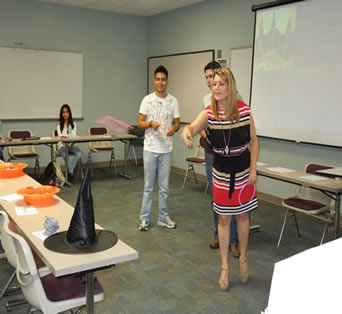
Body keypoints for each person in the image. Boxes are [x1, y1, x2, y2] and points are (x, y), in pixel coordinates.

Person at [182, 68, 258, 291]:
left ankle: (243, 258)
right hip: (221, 174)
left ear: (230, 87)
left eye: (221, 84)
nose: (216, 87)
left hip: (244, 172)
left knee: (242, 217)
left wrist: (253, 168)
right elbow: (193, 127)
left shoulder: (244, 111)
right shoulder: (209, 113)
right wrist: (187, 133)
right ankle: (225, 266)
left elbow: (254, 141)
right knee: (224, 220)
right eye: (214, 84)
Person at [201, 62, 240, 257]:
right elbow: (203, 122)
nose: (211, 82)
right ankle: (218, 233)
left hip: (231, 155)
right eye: (207, 77)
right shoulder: (206, 99)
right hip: (212, 152)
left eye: (213, 77)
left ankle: (234, 241)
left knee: (231, 198)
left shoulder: (235, 98)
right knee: (217, 198)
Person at [138, 65, 180, 231]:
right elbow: (140, 122)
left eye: (163, 79)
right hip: (150, 149)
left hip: (166, 150)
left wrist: (173, 129)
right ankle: (144, 219)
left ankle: (163, 218)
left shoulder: (173, 101)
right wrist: (150, 124)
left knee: (164, 188)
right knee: (148, 187)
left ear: (167, 81)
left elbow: (177, 122)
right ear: (154, 81)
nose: (160, 82)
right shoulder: (146, 100)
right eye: (157, 79)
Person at [56, 104, 82, 182]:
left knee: (79, 153)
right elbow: (60, 137)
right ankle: (71, 171)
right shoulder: (58, 124)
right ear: (61, 114)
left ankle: (70, 171)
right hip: (62, 145)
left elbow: (74, 136)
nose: (65, 114)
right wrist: (66, 144)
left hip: (72, 145)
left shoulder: (74, 124)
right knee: (64, 154)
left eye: (67, 112)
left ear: (69, 113)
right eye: (63, 112)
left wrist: (72, 144)